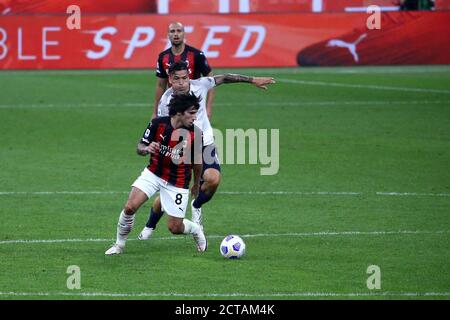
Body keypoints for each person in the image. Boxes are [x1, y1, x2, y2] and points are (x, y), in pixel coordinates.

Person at [138, 61, 275, 241]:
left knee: (213, 179)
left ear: (189, 77)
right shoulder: (166, 100)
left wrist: (252, 80)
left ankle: (196, 205)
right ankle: (150, 225)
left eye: (185, 78)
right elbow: (166, 127)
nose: (181, 83)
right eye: (177, 79)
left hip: (205, 143)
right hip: (180, 149)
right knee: (169, 194)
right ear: (170, 80)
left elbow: (224, 78)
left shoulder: (200, 85)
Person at [105, 93, 205, 255]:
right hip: (153, 174)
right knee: (130, 207)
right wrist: (146, 149)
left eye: (196, 113)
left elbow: (198, 162)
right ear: (179, 112)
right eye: (191, 113)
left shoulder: (196, 134)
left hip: (178, 182)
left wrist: (196, 183)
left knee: (175, 228)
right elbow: (140, 147)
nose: (195, 117)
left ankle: (195, 229)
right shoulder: (157, 124)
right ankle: (119, 245)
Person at [153, 21, 215, 120]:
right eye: (172, 31)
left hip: (195, 105)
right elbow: (161, 85)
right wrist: (155, 112)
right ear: (168, 35)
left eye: (179, 31)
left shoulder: (197, 55)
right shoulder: (163, 57)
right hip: (173, 105)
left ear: (184, 33)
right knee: (174, 134)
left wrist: (208, 108)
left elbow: (211, 81)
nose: (176, 34)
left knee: (197, 135)